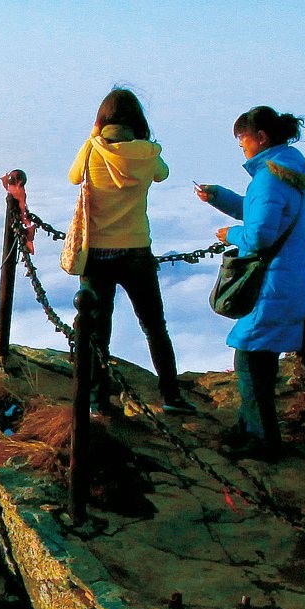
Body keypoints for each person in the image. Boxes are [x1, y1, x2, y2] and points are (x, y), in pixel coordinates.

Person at [197, 106, 305, 455]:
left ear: (261, 137)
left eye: (243, 139)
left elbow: (261, 235)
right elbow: (264, 215)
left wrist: (230, 233)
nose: (242, 147)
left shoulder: (269, 178)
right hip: (287, 278)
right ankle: (248, 429)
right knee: (259, 361)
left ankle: (261, 439)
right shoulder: (287, 172)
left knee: (250, 361)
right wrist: (220, 197)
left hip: (271, 283)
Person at [66, 87, 188, 409]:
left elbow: (73, 176)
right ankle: (171, 395)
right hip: (136, 250)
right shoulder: (147, 153)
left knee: (96, 331)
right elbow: (163, 174)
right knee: (154, 327)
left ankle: (97, 400)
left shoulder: (92, 151)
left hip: (98, 254)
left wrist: (93, 136)